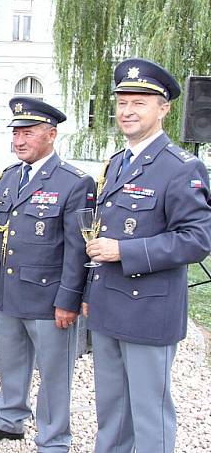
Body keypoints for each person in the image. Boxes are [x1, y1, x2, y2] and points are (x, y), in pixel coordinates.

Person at [83, 58, 211, 453]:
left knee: (149, 414)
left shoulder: (180, 167)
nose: (127, 110)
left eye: (139, 102)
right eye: (122, 102)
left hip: (149, 310)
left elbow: (196, 239)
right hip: (109, 306)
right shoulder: (119, 162)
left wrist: (124, 251)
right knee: (111, 411)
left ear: (164, 108)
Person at [0, 97, 95, 451]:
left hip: (50, 300)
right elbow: (0, 224)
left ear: (51, 134)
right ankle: (9, 420)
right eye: (16, 133)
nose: (19, 140)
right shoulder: (8, 177)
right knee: (12, 364)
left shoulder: (74, 183)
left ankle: (53, 439)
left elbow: (78, 248)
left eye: (28, 132)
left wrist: (68, 300)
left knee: (54, 375)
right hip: (10, 292)